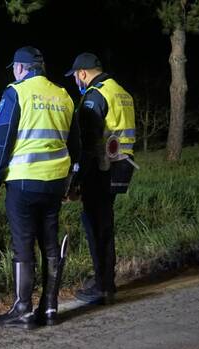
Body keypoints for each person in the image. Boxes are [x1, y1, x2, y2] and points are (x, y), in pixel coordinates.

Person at [0, 46, 78, 329]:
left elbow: (2, 140)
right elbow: (76, 147)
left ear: (20, 68)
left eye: (14, 68)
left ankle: (23, 310)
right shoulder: (64, 96)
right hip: (54, 184)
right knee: (49, 243)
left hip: (24, 181)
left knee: (23, 244)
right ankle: (50, 307)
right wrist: (71, 185)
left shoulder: (17, 92)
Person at [65, 52, 136, 305]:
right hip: (121, 167)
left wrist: (75, 181)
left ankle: (102, 286)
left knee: (95, 228)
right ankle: (107, 281)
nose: (76, 80)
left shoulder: (94, 96)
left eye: (75, 76)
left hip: (100, 169)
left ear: (82, 73)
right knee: (105, 225)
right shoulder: (120, 91)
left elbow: (88, 145)